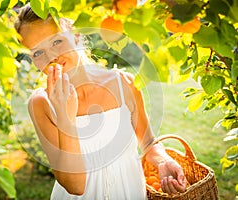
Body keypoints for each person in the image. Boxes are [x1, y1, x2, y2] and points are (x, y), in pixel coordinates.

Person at [14, 3, 187, 199]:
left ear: (77, 35)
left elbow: (148, 141)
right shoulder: (41, 103)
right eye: (37, 52)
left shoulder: (124, 84)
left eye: (57, 42)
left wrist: (163, 161)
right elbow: (75, 186)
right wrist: (65, 116)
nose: (51, 57)